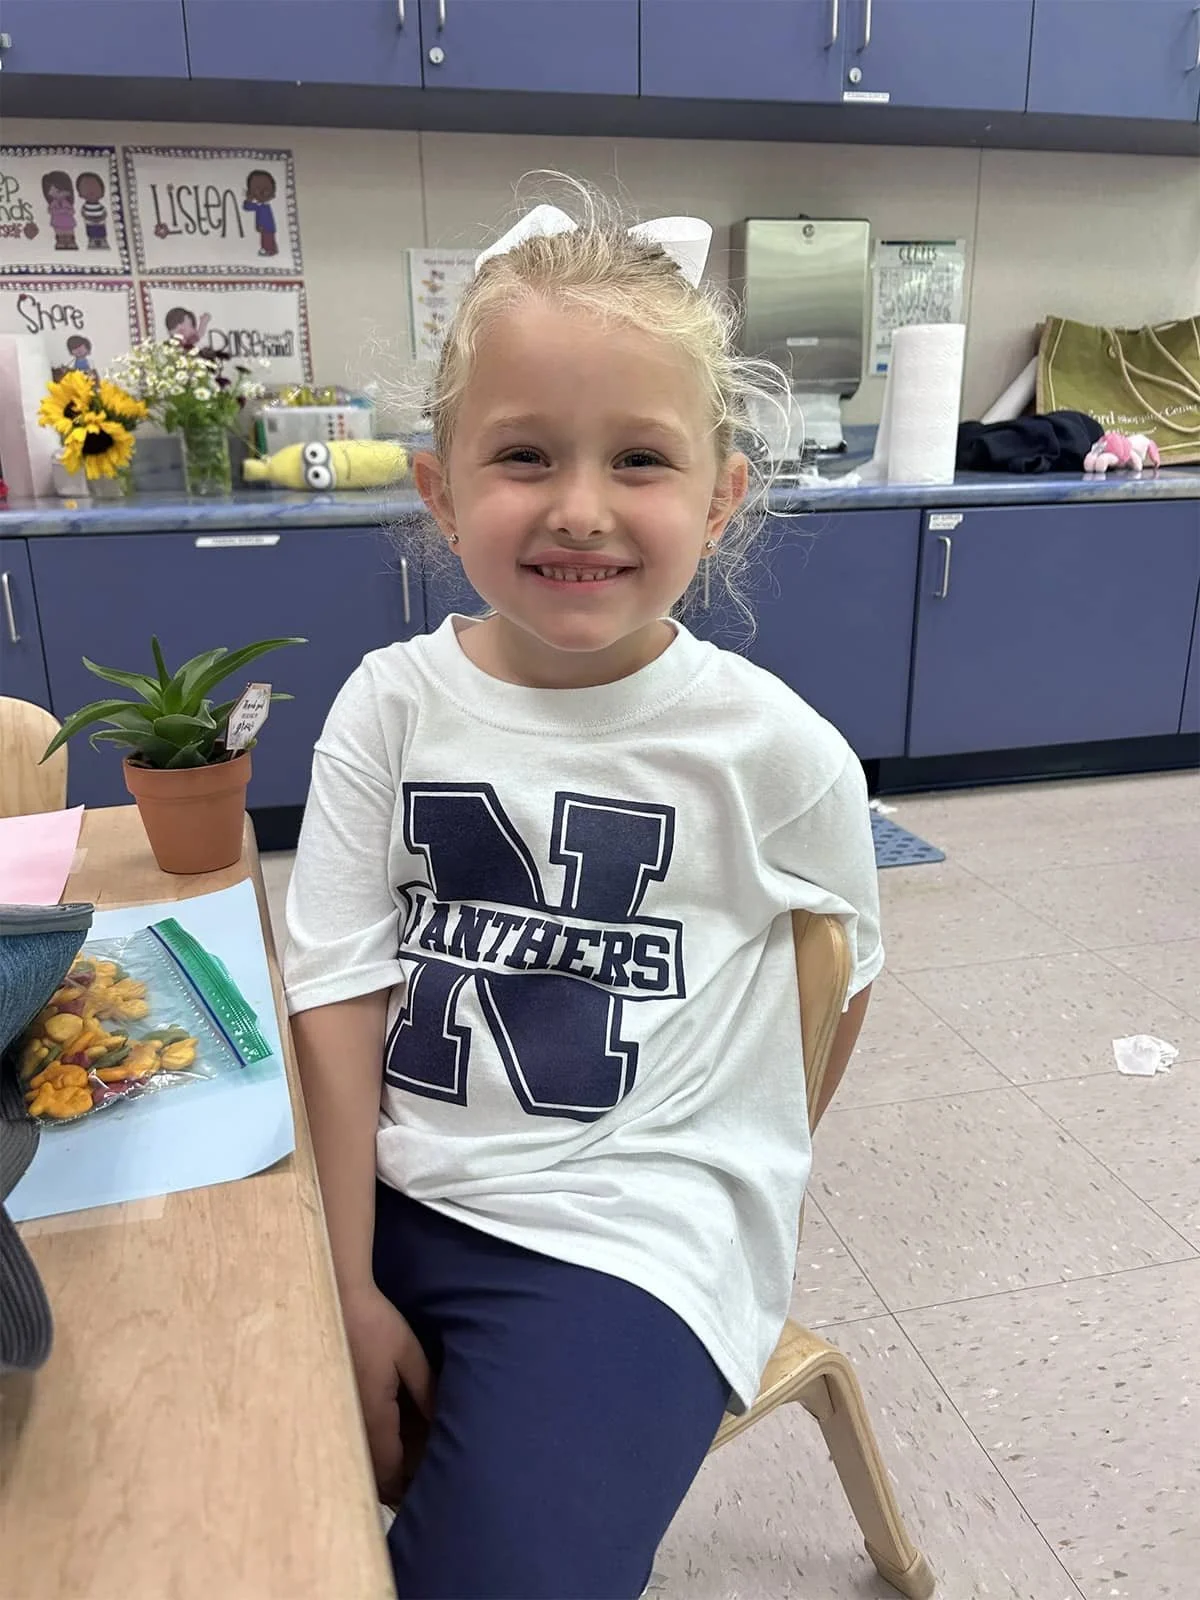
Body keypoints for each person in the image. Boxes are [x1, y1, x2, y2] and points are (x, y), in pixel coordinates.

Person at [284, 188, 881, 1600]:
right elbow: (337, 990)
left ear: (723, 495)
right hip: (397, 1184)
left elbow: (836, 995)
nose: (580, 509)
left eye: (642, 459)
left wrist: (714, 1175)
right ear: (438, 488)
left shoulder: (778, 753)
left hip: (622, 1235)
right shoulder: (388, 705)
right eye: (524, 455)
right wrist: (346, 1286)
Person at [243, 169, 278, 256]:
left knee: (268, 238)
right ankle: (269, 249)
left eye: (266, 189)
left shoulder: (264, 207)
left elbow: (266, 218)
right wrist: (248, 199)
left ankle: (270, 250)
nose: (262, 192)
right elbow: (247, 207)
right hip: (264, 227)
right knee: (265, 239)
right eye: (256, 189)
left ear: (273, 193)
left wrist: (262, 226)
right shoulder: (260, 206)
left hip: (267, 227)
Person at [75, 172, 109, 250]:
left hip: (101, 227)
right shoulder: (85, 207)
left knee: (102, 239)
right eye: (86, 188)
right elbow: (84, 214)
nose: (91, 191)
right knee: (93, 240)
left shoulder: (101, 206)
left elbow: (104, 214)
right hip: (91, 228)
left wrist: (99, 220)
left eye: (94, 187)